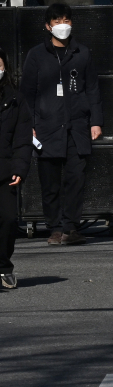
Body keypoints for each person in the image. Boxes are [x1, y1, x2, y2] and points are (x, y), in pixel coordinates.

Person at [22, 4, 101, 245]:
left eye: (66, 20)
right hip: (47, 127)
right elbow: (27, 94)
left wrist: (96, 122)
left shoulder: (82, 53)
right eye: (57, 21)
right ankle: (54, 227)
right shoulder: (36, 55)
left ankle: (71, 227)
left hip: (77, 126)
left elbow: (93, 90)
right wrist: (29, 124)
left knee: (76, 179)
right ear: (48, 26)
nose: (62, 25)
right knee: (50, 182)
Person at [0, 47, 32, 289]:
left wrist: (20, 167)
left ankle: (3, 266)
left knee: (8, 219)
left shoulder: (15, 99)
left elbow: (22, 138)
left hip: (5, 169)